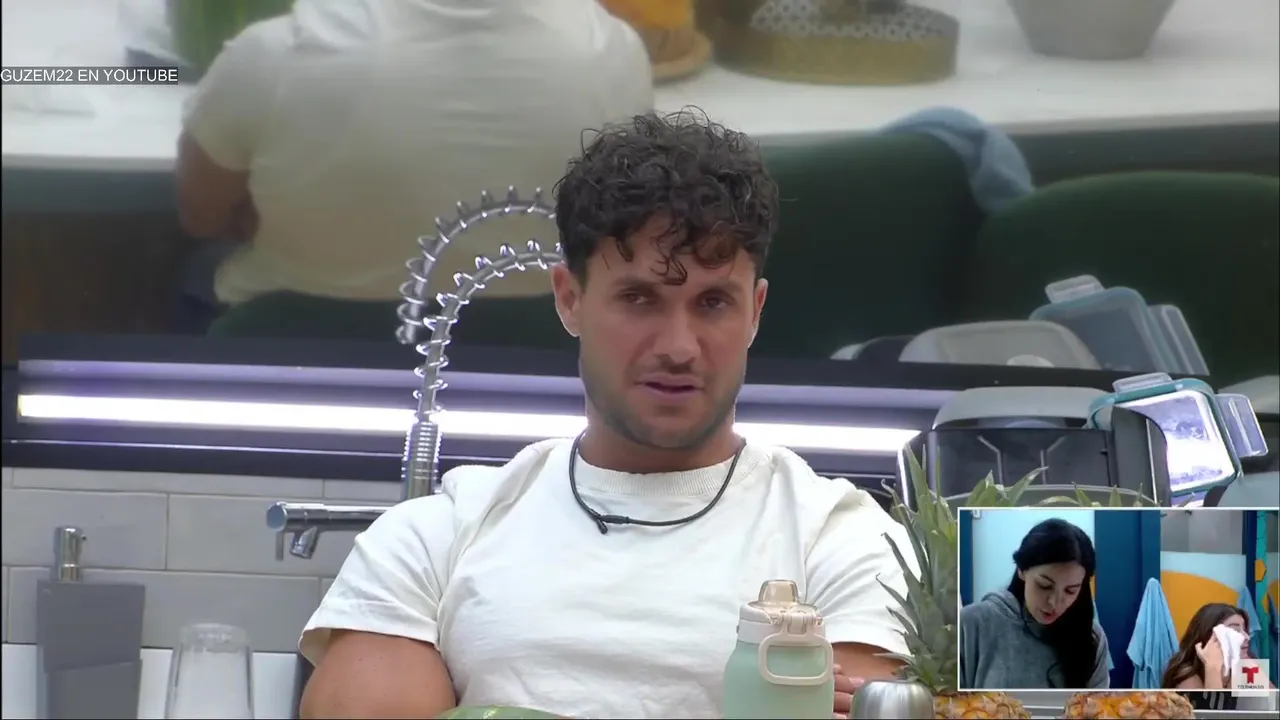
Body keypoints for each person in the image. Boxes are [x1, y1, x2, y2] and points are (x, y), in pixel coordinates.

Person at [295, 111, 917, 719]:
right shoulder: (435, 535)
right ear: (570, 298)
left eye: (712, 302)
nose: (678, 347)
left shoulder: (842, 538)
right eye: (639, 298)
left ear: (755, 311)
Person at [175, 0, 652, 330]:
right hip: (534, 366)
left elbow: (201, 216)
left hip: (297, 354)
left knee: (193, 268)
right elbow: (615, 226)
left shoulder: (273, 54)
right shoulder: (612, 52)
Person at [960, 518, 1112, 690]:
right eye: (1044, 586)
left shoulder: (1092, 638)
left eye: (1070, 591)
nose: (1054, 602)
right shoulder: (971, 624)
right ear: (1022, 570)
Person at [1163, 602, 1275, 709]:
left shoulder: (1244, 666)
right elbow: (1213, 716)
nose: (1246, 637)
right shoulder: (1188, 674)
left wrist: (1255, 673)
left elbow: (1274, 705)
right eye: (1235, 630)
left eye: (1245, 630)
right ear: (1210, 636)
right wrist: (1213, 669)